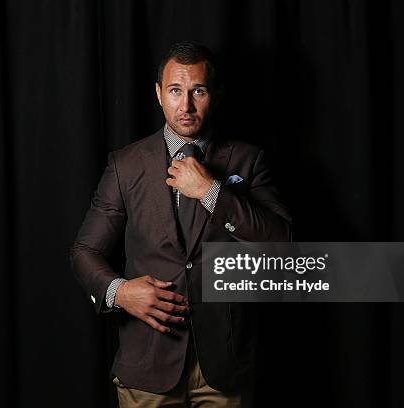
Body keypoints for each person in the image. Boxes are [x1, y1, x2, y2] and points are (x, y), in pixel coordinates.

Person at [70, 41, 291, 407]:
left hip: (224, 369)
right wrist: (118, 292)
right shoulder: (126, 165)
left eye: (197, 91)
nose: (185, 105)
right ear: (158, 94)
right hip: (148, 366)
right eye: (175, 90)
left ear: (215, 94)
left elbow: (284, 246)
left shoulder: (249, 161)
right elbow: (84, 251)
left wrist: (211, 192)